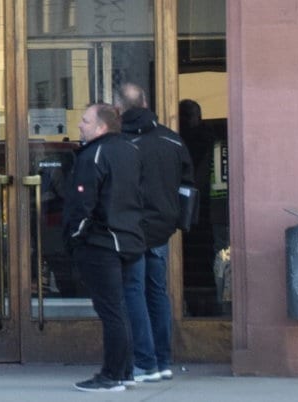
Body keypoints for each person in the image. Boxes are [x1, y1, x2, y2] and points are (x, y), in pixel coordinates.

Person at [117, 83, 194, 383]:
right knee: (157, 293)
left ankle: (145, 362)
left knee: (133, 292)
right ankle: (162, 360)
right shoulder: (172, 140)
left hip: (132, 228)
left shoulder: (119, 142)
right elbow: (188, 185)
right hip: (162, 229)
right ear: (146, 102)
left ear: (119, 109)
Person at [65, 103, 143, 392]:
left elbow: (84, 202)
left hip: (102, 243)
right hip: (128, 240)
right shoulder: (132, 150)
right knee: (120, 309)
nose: (80, 125)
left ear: (101, 127)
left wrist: (75, 236)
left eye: (85, 120)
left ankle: (112, 375)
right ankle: (124, 371)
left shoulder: (94, 153)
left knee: (111, 310)